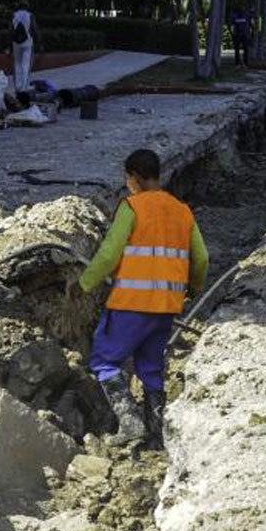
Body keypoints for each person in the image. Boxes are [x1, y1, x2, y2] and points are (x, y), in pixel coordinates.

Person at [74, 149, 208, 449]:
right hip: (165, 308)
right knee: (150, 366)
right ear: (156, 175)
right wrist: (193, 289)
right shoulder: (182, 210)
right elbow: (201, 259)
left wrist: (84, 284)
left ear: (133, 178)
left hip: (130, 304)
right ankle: (156, 433)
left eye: (127, 178)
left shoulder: (132, 208)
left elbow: (109, 254)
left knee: (104, 361)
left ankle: (130, 422)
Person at [10, 7, 38, 93]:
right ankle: (24, 86)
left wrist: (9, 43)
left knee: (17, 63)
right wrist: (36, 40)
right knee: (25, 64)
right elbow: (34, 29)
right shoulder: (30, 15)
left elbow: (10, 29)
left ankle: (17, 86)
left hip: (16, 43)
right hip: (28, 42)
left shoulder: (14, 15)